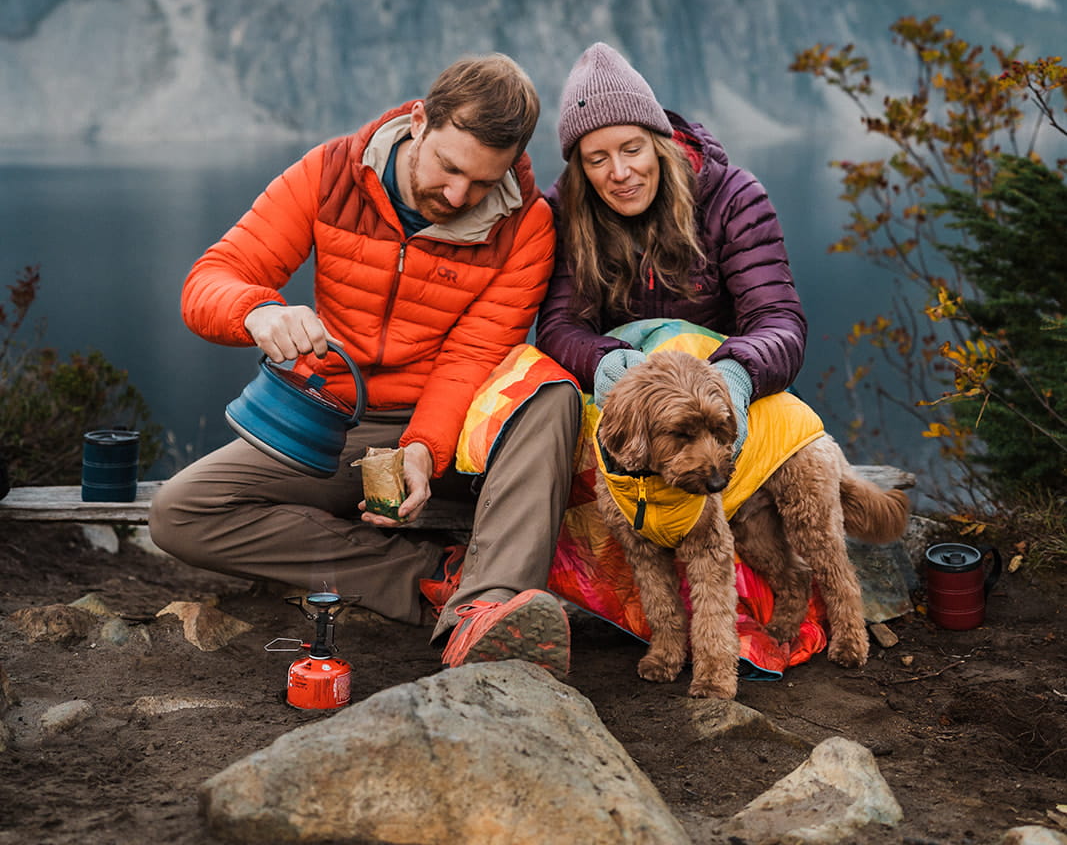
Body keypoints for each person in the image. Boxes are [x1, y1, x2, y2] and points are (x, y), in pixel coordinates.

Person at [150, 54, 581, 677]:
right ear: (419, 122)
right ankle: (434, 580)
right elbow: (210, 281)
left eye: (483, 183)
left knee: (551, 392)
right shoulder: (331, 174)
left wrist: (422, 450)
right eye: (450, 167)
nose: (458, 195)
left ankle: (486, 613)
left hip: (454, 435)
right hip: (335, 424)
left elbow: (471, 357)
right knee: (181, 513)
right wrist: (258, 314)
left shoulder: (526, 226)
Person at [535, 43, 807, 447]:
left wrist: (736, 374)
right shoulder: (565, 212)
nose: (620, 173)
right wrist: (604, 361)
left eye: (632, 149)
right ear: (580, 168)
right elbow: (559, 327)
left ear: (658, 142)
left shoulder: (734, 200)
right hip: (629, 412)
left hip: (727, 404)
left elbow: (779, 322)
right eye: (597, 159)